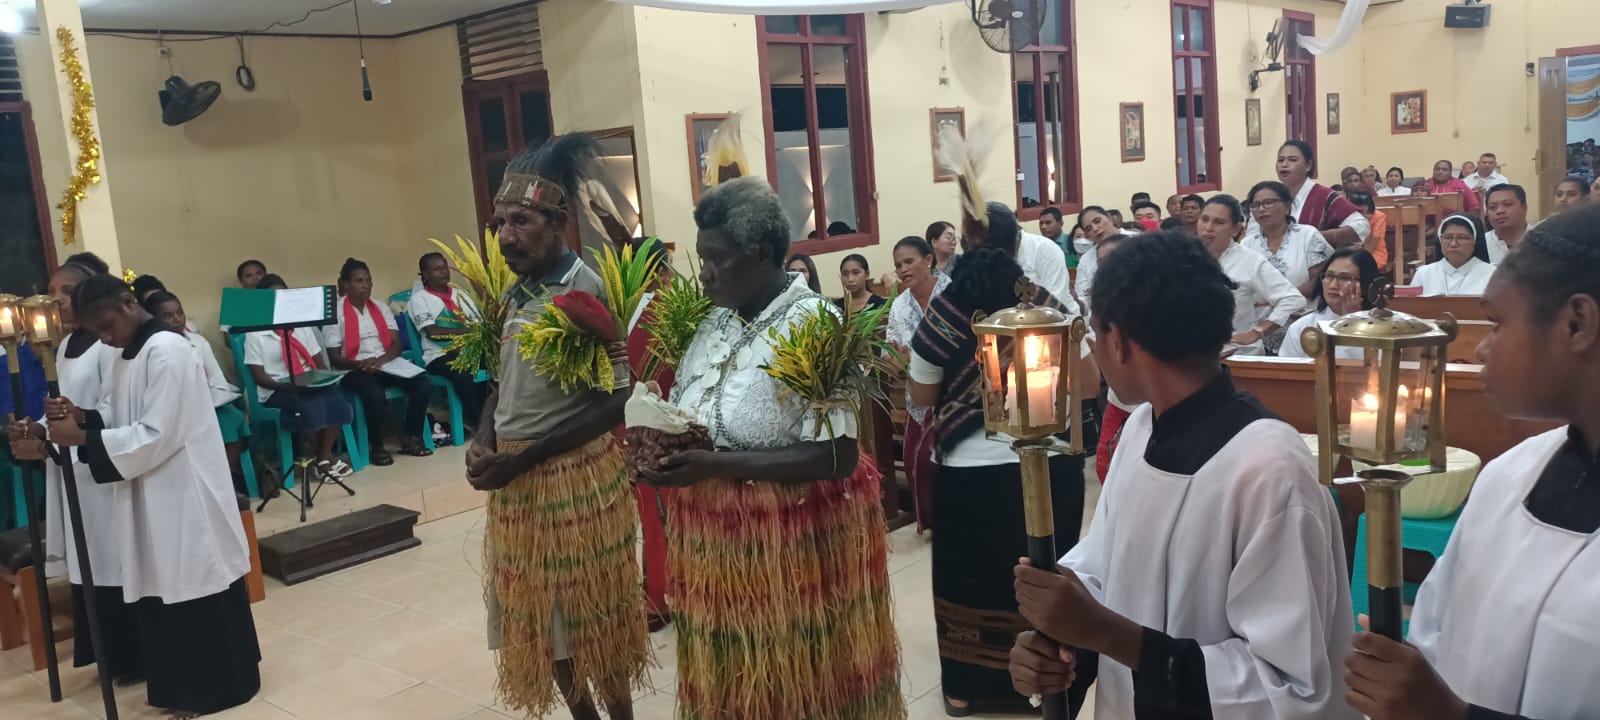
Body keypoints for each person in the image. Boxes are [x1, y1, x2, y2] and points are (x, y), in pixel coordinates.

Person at [1009, 231, 1357, 720]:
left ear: (1119, 341)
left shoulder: (1270, 470)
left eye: (1093, 333)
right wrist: (1060, 641)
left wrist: (1104, 632)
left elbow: (1291, 687)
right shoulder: (1140, 431)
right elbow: (1105, 572)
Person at [639, 176, 903, 719]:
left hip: (791, 543)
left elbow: (839, 456)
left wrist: (714, 464)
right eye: (701, 257)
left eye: (716, 259)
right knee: (733, 685)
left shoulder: (816, 324)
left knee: (794, 686)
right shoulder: (708, 321)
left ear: (759, 254)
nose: (704, 272)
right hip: (714, 547)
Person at [1343, 204, 1600, 720]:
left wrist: (1447, 715)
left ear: (1576, 323)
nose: (1481, 349)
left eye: (1497, 324)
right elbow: (1440, 630)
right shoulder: (1510, 475)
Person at [465, 134, 647, 720]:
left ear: (558, 221)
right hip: (517, 485)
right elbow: (500, 382)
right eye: (499, 224)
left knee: (595, 622)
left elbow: (617, 399)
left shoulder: (586, 290)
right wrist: (484, 438)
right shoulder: (516, 290)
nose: (506, 237)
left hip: (573, 484)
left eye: (521, 221)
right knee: (545, 624)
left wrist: (523, 457)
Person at [44, 273, 261, 717]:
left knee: (192, 582)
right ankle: (179, 688)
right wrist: (84, 417)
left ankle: (214, 689)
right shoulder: (129, 353)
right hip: (148, 488)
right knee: (162, 587)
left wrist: (82, 439)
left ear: (128, 303)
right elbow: (116, 412)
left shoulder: (168, 351)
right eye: (95, 332)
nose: (104, 339)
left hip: (182, 489)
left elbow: (157, 433)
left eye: (106, 326)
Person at [910, 202, 1085, 716]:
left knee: (969, 577)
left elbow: (922, 398)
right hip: (1049, 461)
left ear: (960, 249)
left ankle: (965, 688)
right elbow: (1091, 380)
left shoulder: (945, 309)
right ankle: (1049, 684)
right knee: (1043, 575)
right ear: (1017, 247)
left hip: (969, 470)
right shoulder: (1047, 305)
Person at [6, 254, 125, 685]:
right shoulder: (65, 346)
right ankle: (104, 652)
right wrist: (35, 428)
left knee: (111, 557)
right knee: (88, 560)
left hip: (97, 464)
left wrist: (78, 423)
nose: (55, 302)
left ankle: (127, 656)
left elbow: (111, 407)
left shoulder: (104, 345)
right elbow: (60, 406)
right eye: (51, 293)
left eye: (64, 292)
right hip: (69, 467)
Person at [243, 273, 356, 481]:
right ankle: (325, 459)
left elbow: (318, 361)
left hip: (308, 382)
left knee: (337, 399)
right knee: (306, 406)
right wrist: (292, 387)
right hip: (277, 389)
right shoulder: (255, 333)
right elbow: (259, 377)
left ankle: (321, 458)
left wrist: (322, 379)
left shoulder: (301, 325)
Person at [324, 258, 434, 465]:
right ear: (346, 284)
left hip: (386, 363)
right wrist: (361, 364)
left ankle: (409, 435)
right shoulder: (337, 313)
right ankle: (377, 446)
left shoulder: (381, 307)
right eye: (359, 281)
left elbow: (396, 345)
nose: (366, 285)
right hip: (353, 369)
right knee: (374, 394)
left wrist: (379, 361)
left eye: (368, 280)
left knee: (423, 385)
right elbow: (333, 356)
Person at [142, 291, 253, 494]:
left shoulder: (197, 342)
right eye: (167, 316)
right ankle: (212, 482)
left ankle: (224, 478)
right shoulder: (151, 348)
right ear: (154, 319)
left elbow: (217, 380)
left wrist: (214, 400)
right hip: (176, 410)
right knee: (217, 424)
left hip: (209, 403)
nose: (176, 319)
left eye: (179, 312)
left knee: (234, 418)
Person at [622, 239, 677, 633]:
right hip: (633, 423)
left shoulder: (665, 310)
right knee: (651, 515)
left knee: (660, 514)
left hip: (659, 424)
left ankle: (659, 597)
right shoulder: (629, 309)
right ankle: (656, 592)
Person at [886, 236, 951, 534]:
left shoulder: (953, 294)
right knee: (917, 461)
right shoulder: (900, 306)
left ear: (929, 260)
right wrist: (897, 361)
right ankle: (933, 520)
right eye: (898, 265)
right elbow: (893, 349)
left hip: (958, 393)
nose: (903, 269)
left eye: (909, 261)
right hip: (918, 394)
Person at [1196, 195, 1305, 355]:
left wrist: (1258, 331)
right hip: (1193, 355)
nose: (1208, 228)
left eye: (1219, 222)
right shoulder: (1184, 256)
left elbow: (1293, 299)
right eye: (1204, 219)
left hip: (1239, 354)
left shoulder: (1250, 261)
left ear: (1235, 229)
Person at [409, 251, 487, 429]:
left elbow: (479, 325)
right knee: (462, 373)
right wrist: (468, 331)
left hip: (469, 350)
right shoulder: (420, 299)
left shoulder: (462, 295)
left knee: (495, 364)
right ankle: (476, 421)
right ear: (425, 275)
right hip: (439, 355)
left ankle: (493, 417)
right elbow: (433, 332)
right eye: (437, 269)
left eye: (444, 266)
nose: (444, 271)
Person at [1279, 248, 1381, 359]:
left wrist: (1351, 321)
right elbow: (1288, 371)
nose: (1333, 285)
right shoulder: (1302, 327)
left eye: (1344, 278)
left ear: (1366, 284)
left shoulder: (1383, 327)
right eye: (1329, 276)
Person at [1242, 180, 1336, 298]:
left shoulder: (1308, 235)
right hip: (1259, 314)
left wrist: (1284, 299)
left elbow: (1319, 280)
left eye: (1268, 202)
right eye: (1255, 205)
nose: (1261, 209)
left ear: (1287, 206)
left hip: (1303, 312)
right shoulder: (1247, 244)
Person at [1269, 140, 1370, 247]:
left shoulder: (1323, 196)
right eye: (1280, 160)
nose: (1284, 165)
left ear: (1308, 165)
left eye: (1292, 160)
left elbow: (1361, 227)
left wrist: (1317, 236)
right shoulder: (1271, 197)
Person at [1407, 214, 1497, 297]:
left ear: (1475, 242)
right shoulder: (1424, 274)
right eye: (1448, 237)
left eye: (1462, 238)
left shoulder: (1492, 274)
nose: (1453, 244)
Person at [1071, 205, 1130, 318]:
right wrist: (1077, 302)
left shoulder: (1139, 240)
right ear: (1087, 235)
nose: (1095, 228)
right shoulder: (1086, 260)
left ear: (1109, 218)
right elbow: (1085, 303)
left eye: (1097, 221)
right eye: (1088, 229)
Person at [1484, 183, 1531, 265]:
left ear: (1524, 207)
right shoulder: (1480, 244)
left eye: (1507, 204)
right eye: (1493, 207)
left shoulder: (1542, 241)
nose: (1500, 211)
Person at [1417, 159, 1483, 213]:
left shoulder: (1459, 185)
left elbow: (1474, 207)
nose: (1440, 172)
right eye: (1437, 169)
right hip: (1429, 223)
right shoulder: (1425, 185)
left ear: (1450, 172)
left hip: (1454, 222)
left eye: (1444, 170)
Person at [1348, 190, 1390, 271]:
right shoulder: (1346, 215)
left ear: (1369, 207)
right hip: (1350, 251)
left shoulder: (1379, 217)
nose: (1357, 213)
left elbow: (1371, 245)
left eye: (1361, 210)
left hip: (1374, 252)